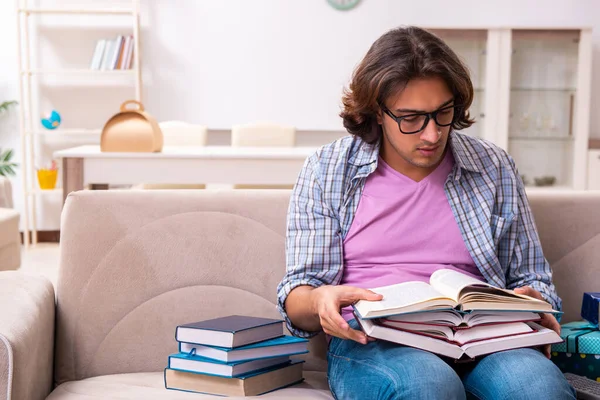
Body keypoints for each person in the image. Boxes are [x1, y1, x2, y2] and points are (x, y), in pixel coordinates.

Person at [276, 26, 575, 400]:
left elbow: (534, 277)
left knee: (540, 390)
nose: (432, 135)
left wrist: (538, 307)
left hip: (486, 337)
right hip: (375, 340)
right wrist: (321, 300)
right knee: (428, 387)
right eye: (410, 118)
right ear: (377, 112)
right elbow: (299, 293)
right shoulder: (328, 169)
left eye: (443, 113)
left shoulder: (493, 166)